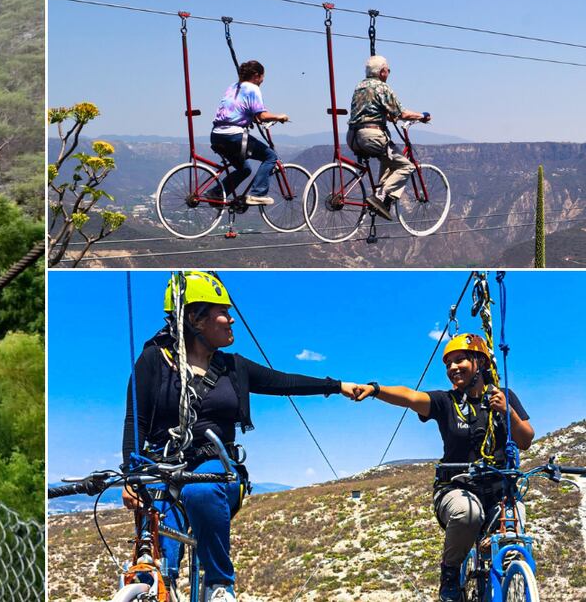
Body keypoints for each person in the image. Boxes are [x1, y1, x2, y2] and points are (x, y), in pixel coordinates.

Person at [121, 271, 373, 602]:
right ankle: (152, 586)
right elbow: (135, 419)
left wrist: (336, 385)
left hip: (216, 467)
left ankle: (219, 585)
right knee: (153, 559)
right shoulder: (155, 360)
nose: (231, 320)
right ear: (196, 319)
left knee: (200, 491)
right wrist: (131, 476)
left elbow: (283, 382)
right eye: (222, 311)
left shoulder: (232, 367)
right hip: (162, 468)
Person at [359, 333, 533, 602]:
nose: (452, 368)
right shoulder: (445, 402)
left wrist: (507, 412)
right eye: (448, 364)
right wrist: (376, 390)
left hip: (499, 490)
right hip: (456, 488)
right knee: (468, 513)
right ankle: (450, 574)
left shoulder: (504, 396)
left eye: (459, 360)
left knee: (515, 527)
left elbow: (526, 440)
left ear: (480, 362)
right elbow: (409, 397)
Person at [346, 55, 431, 221]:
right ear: (382, 72)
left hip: (352, 136)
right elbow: (402, 113)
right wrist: (422, 116)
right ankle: (380, 196)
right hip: (371, 136)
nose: (389, 73)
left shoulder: (359, 87)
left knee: (387, 158)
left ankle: (381, 198)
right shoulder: (382, 88)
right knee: (407, 166)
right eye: (388, 70)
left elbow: (375, 111)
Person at [209, 61, 290, 206]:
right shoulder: (253, 88)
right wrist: (279, 116)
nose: (262, 81)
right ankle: (257, 194)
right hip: (233, 136)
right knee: (270, 156)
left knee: (244, 169)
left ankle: (216, 193)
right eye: (262, 77)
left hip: (216, 135)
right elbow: (262, 116)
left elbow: (238, 109)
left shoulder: (232, 87)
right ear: (256, 76)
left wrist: (249, 118)